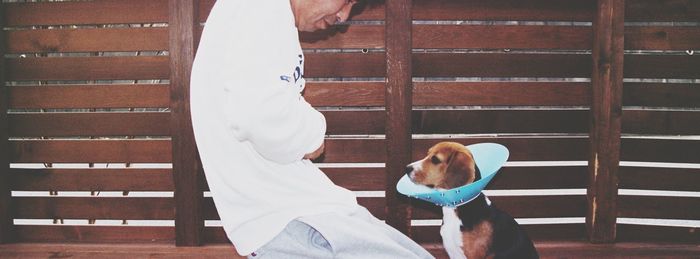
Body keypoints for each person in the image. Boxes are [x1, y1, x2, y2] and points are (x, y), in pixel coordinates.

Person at [190, 0, 434, 258]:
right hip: (291, 218)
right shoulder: (262, 8)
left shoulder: (259, 15)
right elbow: (260, 116)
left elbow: (266, 106)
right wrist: (314, 133)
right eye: (348, 0)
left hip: (293, 214)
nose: (344, 16)